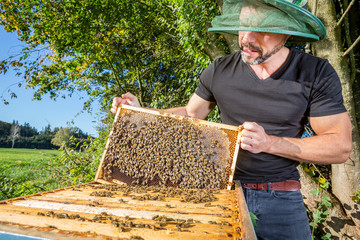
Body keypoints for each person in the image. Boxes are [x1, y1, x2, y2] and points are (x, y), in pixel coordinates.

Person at [111, 0, 352, 239]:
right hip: (221, 193)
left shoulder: (316, 72)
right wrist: (140, 114)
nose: (247, 38)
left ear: (287, 32)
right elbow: (192, 113)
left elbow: (339, 147)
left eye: (261, 29)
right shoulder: (219, 70)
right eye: (244, 25)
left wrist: (268, 143)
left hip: (281, 200)